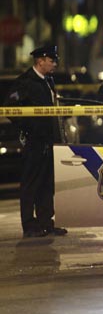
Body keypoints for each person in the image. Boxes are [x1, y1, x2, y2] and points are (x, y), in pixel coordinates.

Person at [3, 44, 67, 237]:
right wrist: (27, 128)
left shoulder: (47, 81)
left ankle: (46, 222)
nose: (55, 63)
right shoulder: (26, 82)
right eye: (51, 60)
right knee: (31, 183)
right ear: (40, 61)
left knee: (47, 183)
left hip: (48, 140)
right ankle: (30, 225)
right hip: (34, 141)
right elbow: (10, 107)